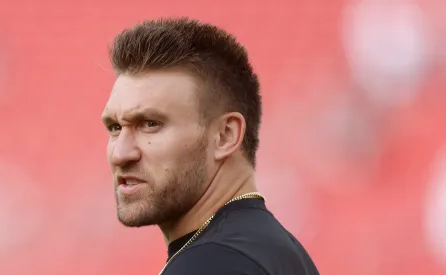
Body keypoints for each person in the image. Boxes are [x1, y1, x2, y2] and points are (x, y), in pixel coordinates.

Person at [101, 17, 319, 275]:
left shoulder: (211, 263)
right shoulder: (274, 250)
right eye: (115, 127)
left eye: (150, 123)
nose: (120, 153)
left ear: (225, 135)